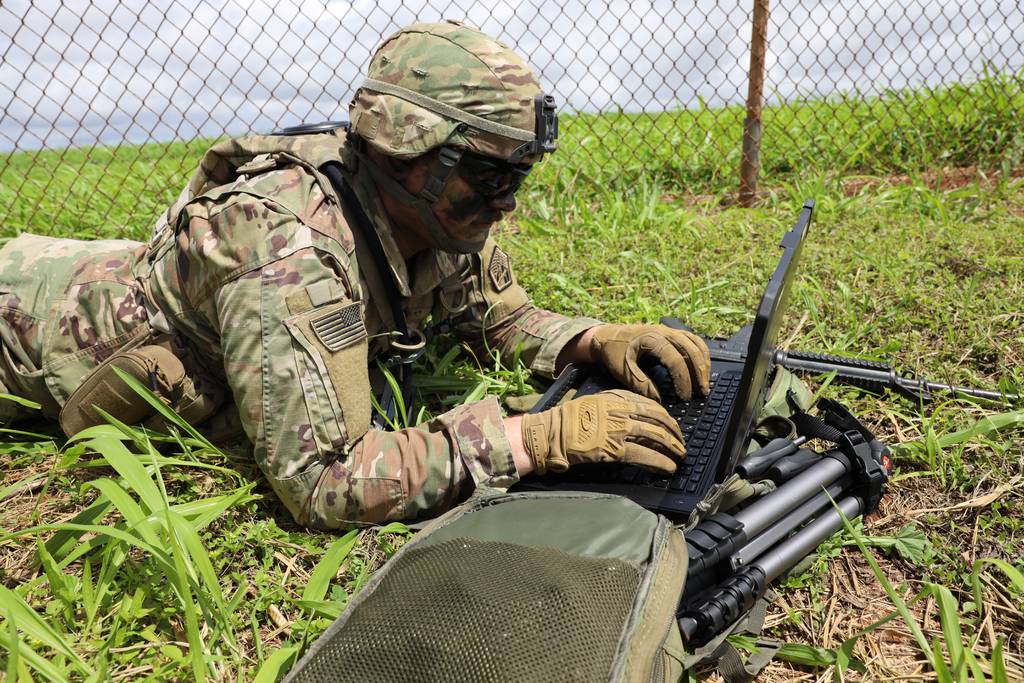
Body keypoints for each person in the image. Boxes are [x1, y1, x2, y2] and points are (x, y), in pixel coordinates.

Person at [0, 21, 710, 529]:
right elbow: (323, 482)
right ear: (409, 150)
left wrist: (595, 338)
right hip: (24, 314)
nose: (509, 198)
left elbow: (501, 316)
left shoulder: (438, 214)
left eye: (519, 173)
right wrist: (534, 439)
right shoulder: (288, 245)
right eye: (491, 172)